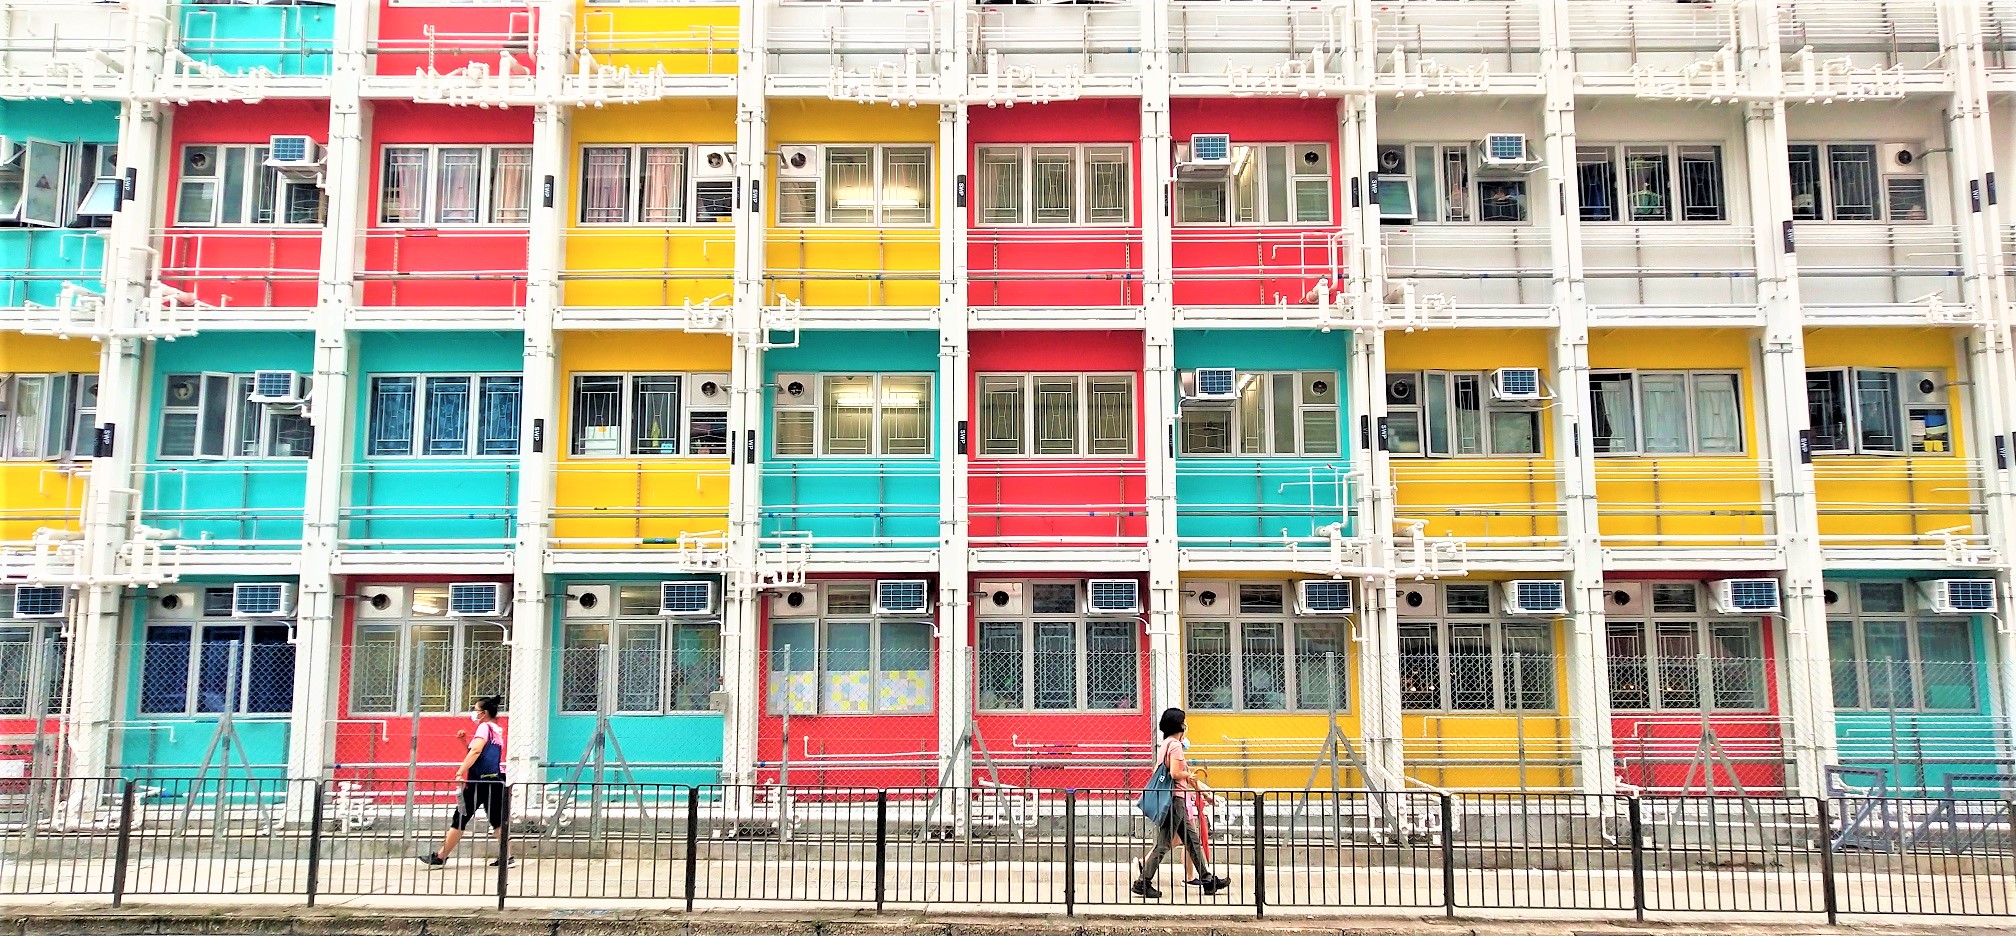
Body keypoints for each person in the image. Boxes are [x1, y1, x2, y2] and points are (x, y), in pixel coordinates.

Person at [1133, 708, 1227, 898]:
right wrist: (1187, 774)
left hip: (1178, 799)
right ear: (1179, 725)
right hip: (1175, 800)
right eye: (1184, 721)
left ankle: (1208, 880)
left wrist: (1202, 793)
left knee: (1192, 841)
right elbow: (1176, 773)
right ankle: (1143, 882)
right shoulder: (1175, 746)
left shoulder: (1166, 744)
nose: (1186, 725)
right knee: (1164, 843)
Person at [419, 696, 511, 868]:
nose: (474, 713)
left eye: (476, 710)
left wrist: (460, 771)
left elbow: (476, 752)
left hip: (478, 782)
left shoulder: (483, 727)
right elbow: (480, 754)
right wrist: (464, 742)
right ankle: (508, 857)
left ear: (483, 713)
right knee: (497, 820)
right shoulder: (496, 730)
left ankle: (440, 856)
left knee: (460, 817)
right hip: (496, 780)